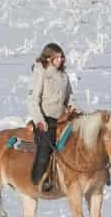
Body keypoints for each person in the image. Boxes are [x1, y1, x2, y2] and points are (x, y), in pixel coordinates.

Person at [26, 42, 76, 192]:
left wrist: (75, 109)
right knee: (46, 147)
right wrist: (39, 120)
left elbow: (69, 97)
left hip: (62, 118)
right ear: (48, 58)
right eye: (57, 57)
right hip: (45, 119)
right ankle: (38, 180)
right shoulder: (40, 72)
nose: (60, 60)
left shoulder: (63, 76)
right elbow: (32, 99)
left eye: (61, 57)